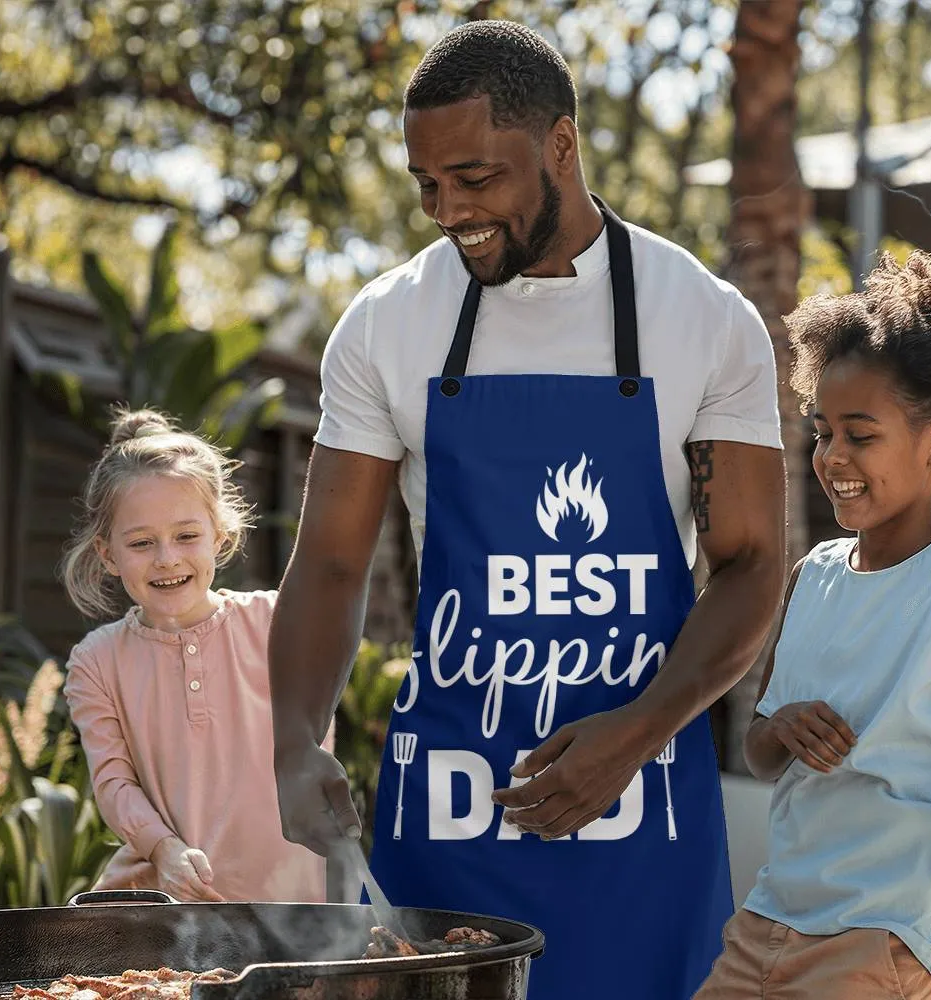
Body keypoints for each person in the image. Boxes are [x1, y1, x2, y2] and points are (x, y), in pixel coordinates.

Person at [270, 20, 785, 1000]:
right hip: (448, 825)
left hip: (644, 816)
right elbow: (330, 564)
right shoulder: (386, 325)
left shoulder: (703, 318)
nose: (446, 210)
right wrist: (297, 734)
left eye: (474, 178)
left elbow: (754, 562)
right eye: (427, 185)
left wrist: (635, 730)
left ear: (559, 144)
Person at [692, 252, 931, 1000]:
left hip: (878, 937)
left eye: (860, 435)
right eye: (822, 432)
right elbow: (762, 757)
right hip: (766, 921)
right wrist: (785, 726)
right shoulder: (812, 575)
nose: (832, 458)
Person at [62, 407, 330, 903]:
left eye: (187, 536)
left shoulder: (278, 623)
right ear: (107, 554)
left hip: (290, 915)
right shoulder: (95, 662)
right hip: (159, 912)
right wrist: (163, 852)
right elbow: (114, 783)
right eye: (141, 543)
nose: (167, 558)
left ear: (220, 535)